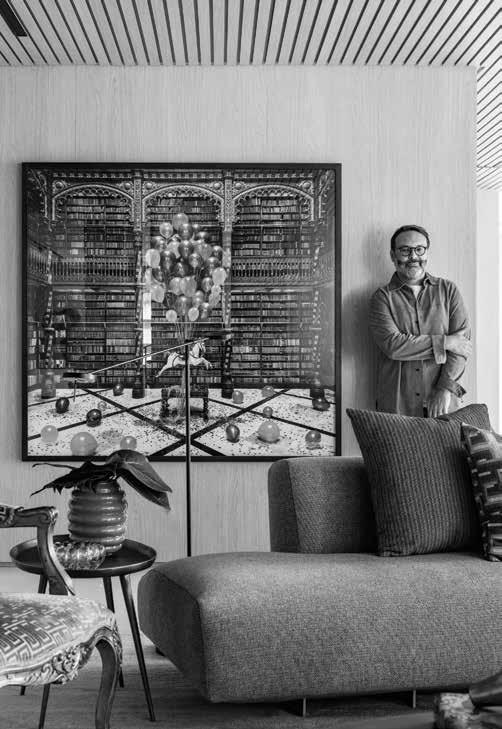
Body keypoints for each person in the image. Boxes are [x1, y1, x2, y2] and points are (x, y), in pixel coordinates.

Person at [369, 224, 472, 417]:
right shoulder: (382, 298)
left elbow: (461, 348)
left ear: (427, 253)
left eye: (419, 249)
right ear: (393, 255)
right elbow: (393, 346)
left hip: (443, 402)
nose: (413, 257)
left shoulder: (448, 290)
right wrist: (445, 343)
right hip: (398, 405)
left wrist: (444, 389)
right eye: (405, 250)